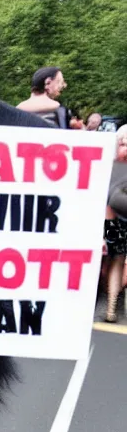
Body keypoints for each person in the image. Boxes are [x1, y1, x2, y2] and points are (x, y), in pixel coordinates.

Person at [103, 125, 127, 323]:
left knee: (115, 260)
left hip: (113, 219)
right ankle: (111, 305)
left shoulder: (110, 166)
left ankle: (111, 305)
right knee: (115, 260)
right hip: (114, 220)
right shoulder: (110, 165)